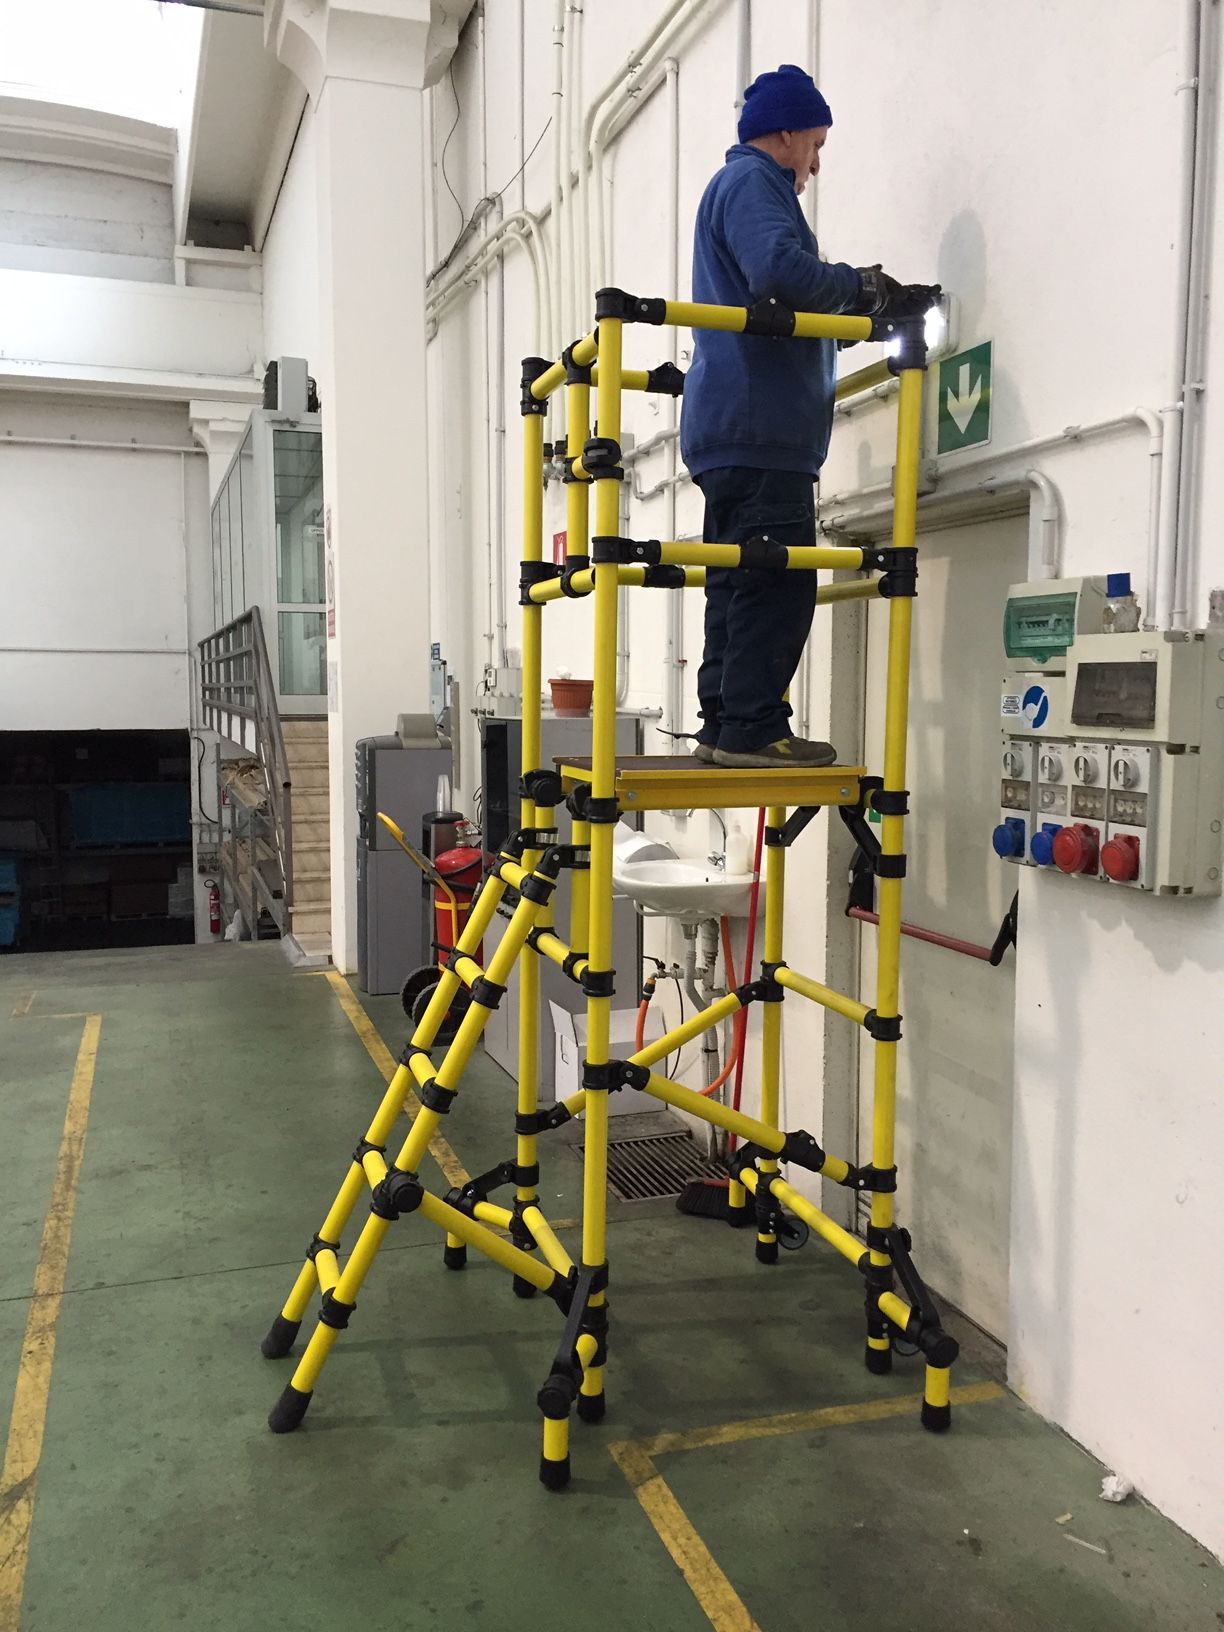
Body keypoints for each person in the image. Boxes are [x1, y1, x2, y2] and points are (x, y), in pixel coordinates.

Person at [680, 64, 936, 768]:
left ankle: (723, 725)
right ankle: (753, 729)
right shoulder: (753, 182)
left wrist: (857, 295)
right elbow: (778, 272)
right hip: (764, 432)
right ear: (786, 132)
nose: (815, 165)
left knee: (736, 580)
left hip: (734, 431)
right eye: (815, 145)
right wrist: (863, 292)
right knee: (780, 582)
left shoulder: (732, 188)